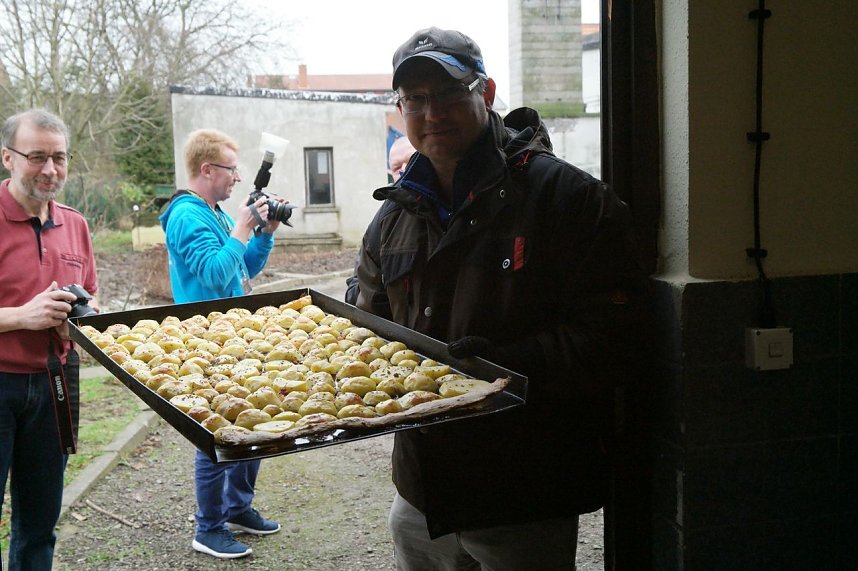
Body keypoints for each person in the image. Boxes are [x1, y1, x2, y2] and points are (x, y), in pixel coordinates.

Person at [352, 28, 649, 569]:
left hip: (522, 489)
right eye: (415, 99)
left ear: (485, 93)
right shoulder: (392, 218)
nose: (431, 111)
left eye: (447, 93)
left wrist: (501, 366)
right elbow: (365, 329)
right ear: (400, 109)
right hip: (421, 493)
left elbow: (617, 335)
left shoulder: (567, 200)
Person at [159, 129, 285, 559]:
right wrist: (242, 228)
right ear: (207, 169)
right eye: (232, 169)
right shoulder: (186, 216)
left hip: (234, 334)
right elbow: (213, 275)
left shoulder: (213, 212)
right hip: (202, 339)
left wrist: (262, 232)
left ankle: (238, 508)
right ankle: (208, 527)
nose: (238, 178)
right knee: (214, 430)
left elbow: (242, 267)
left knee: (250, 418)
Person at [0, 108, 99, 569]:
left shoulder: (76, 224)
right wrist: (23, 316)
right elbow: (24, 313)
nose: (50, 170)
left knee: (39, 523)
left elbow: (92, 298)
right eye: (36, 157)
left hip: (57, 383)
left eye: (59, 158)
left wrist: (78, 319)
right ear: (8, 157)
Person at [345, 135, 417, 306]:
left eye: (411, 160)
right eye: (397, 167)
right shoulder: (384, 219)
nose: (403, 170)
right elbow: (357, 286)